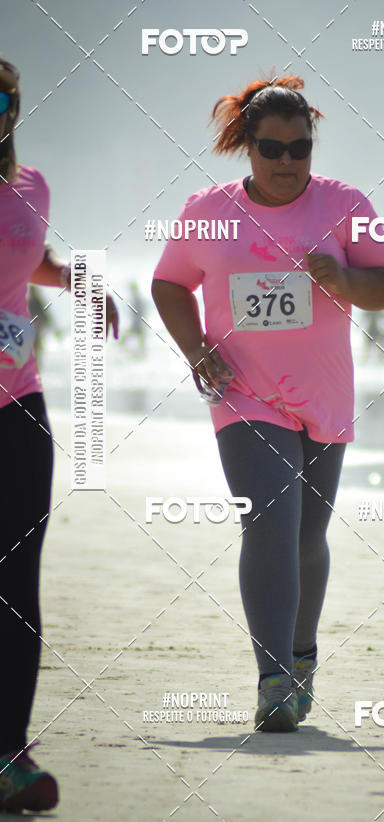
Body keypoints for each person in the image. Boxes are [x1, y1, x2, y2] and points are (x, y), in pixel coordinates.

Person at [152, 75, 384, 733]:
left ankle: (301, 659)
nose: (288, 162)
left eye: (301, 148)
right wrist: (195, 348)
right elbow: (170, 284)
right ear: (247, 148)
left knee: (305, 537)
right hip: (244, 395)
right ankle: (274, 681)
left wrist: (346, 279)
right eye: (273, 149)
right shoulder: (207, 210)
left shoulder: (344, 204)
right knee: (267, 522)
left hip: (324, 396)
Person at [0, 57, 119, 811]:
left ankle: (10, 754)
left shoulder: (30, 187)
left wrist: (78, 280)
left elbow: (25, 259)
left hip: (19, 405)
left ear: (13, 107)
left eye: (1, 96)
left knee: (15, 586)